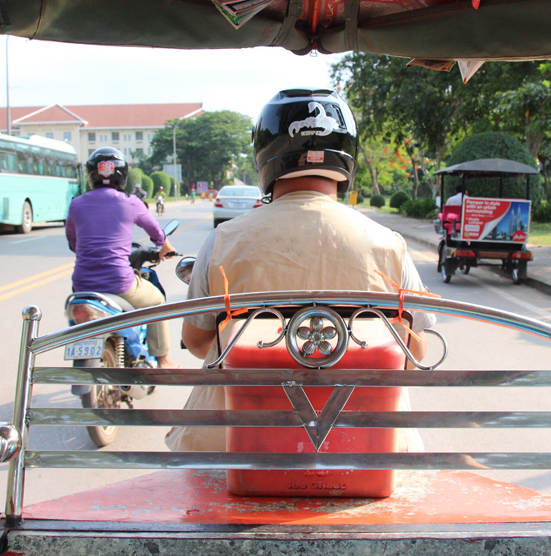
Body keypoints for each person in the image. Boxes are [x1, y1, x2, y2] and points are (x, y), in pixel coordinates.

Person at [167, 89, 434, 452]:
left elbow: (199, 345)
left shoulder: (224, 241)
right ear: (347, 157)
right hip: (370, 447)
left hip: (234, 447)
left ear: (266, 156)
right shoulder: (389, 245)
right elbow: (414, 353)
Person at [66, 148, 180, 369]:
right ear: (122, 175)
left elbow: (73, 244)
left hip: (81, 285)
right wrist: (166, 247)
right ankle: (163, 359)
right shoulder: (131, 202)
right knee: (156, 300)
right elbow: (157, 234)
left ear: (91, 175)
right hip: (119, 282)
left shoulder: (76, 204)